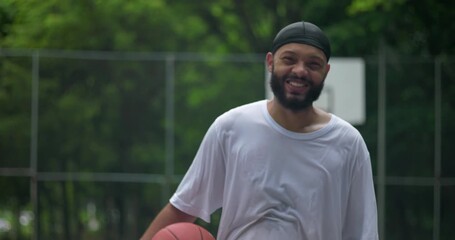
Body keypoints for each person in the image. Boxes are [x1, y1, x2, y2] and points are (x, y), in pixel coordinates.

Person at [141, 21, 378, 240]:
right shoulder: (231, 128)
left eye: (313, 64)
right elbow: (183, 207)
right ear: (270, 62)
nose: (300, 70)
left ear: (325, 72)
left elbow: (363, 232)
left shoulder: (348, 144)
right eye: (289, 59)